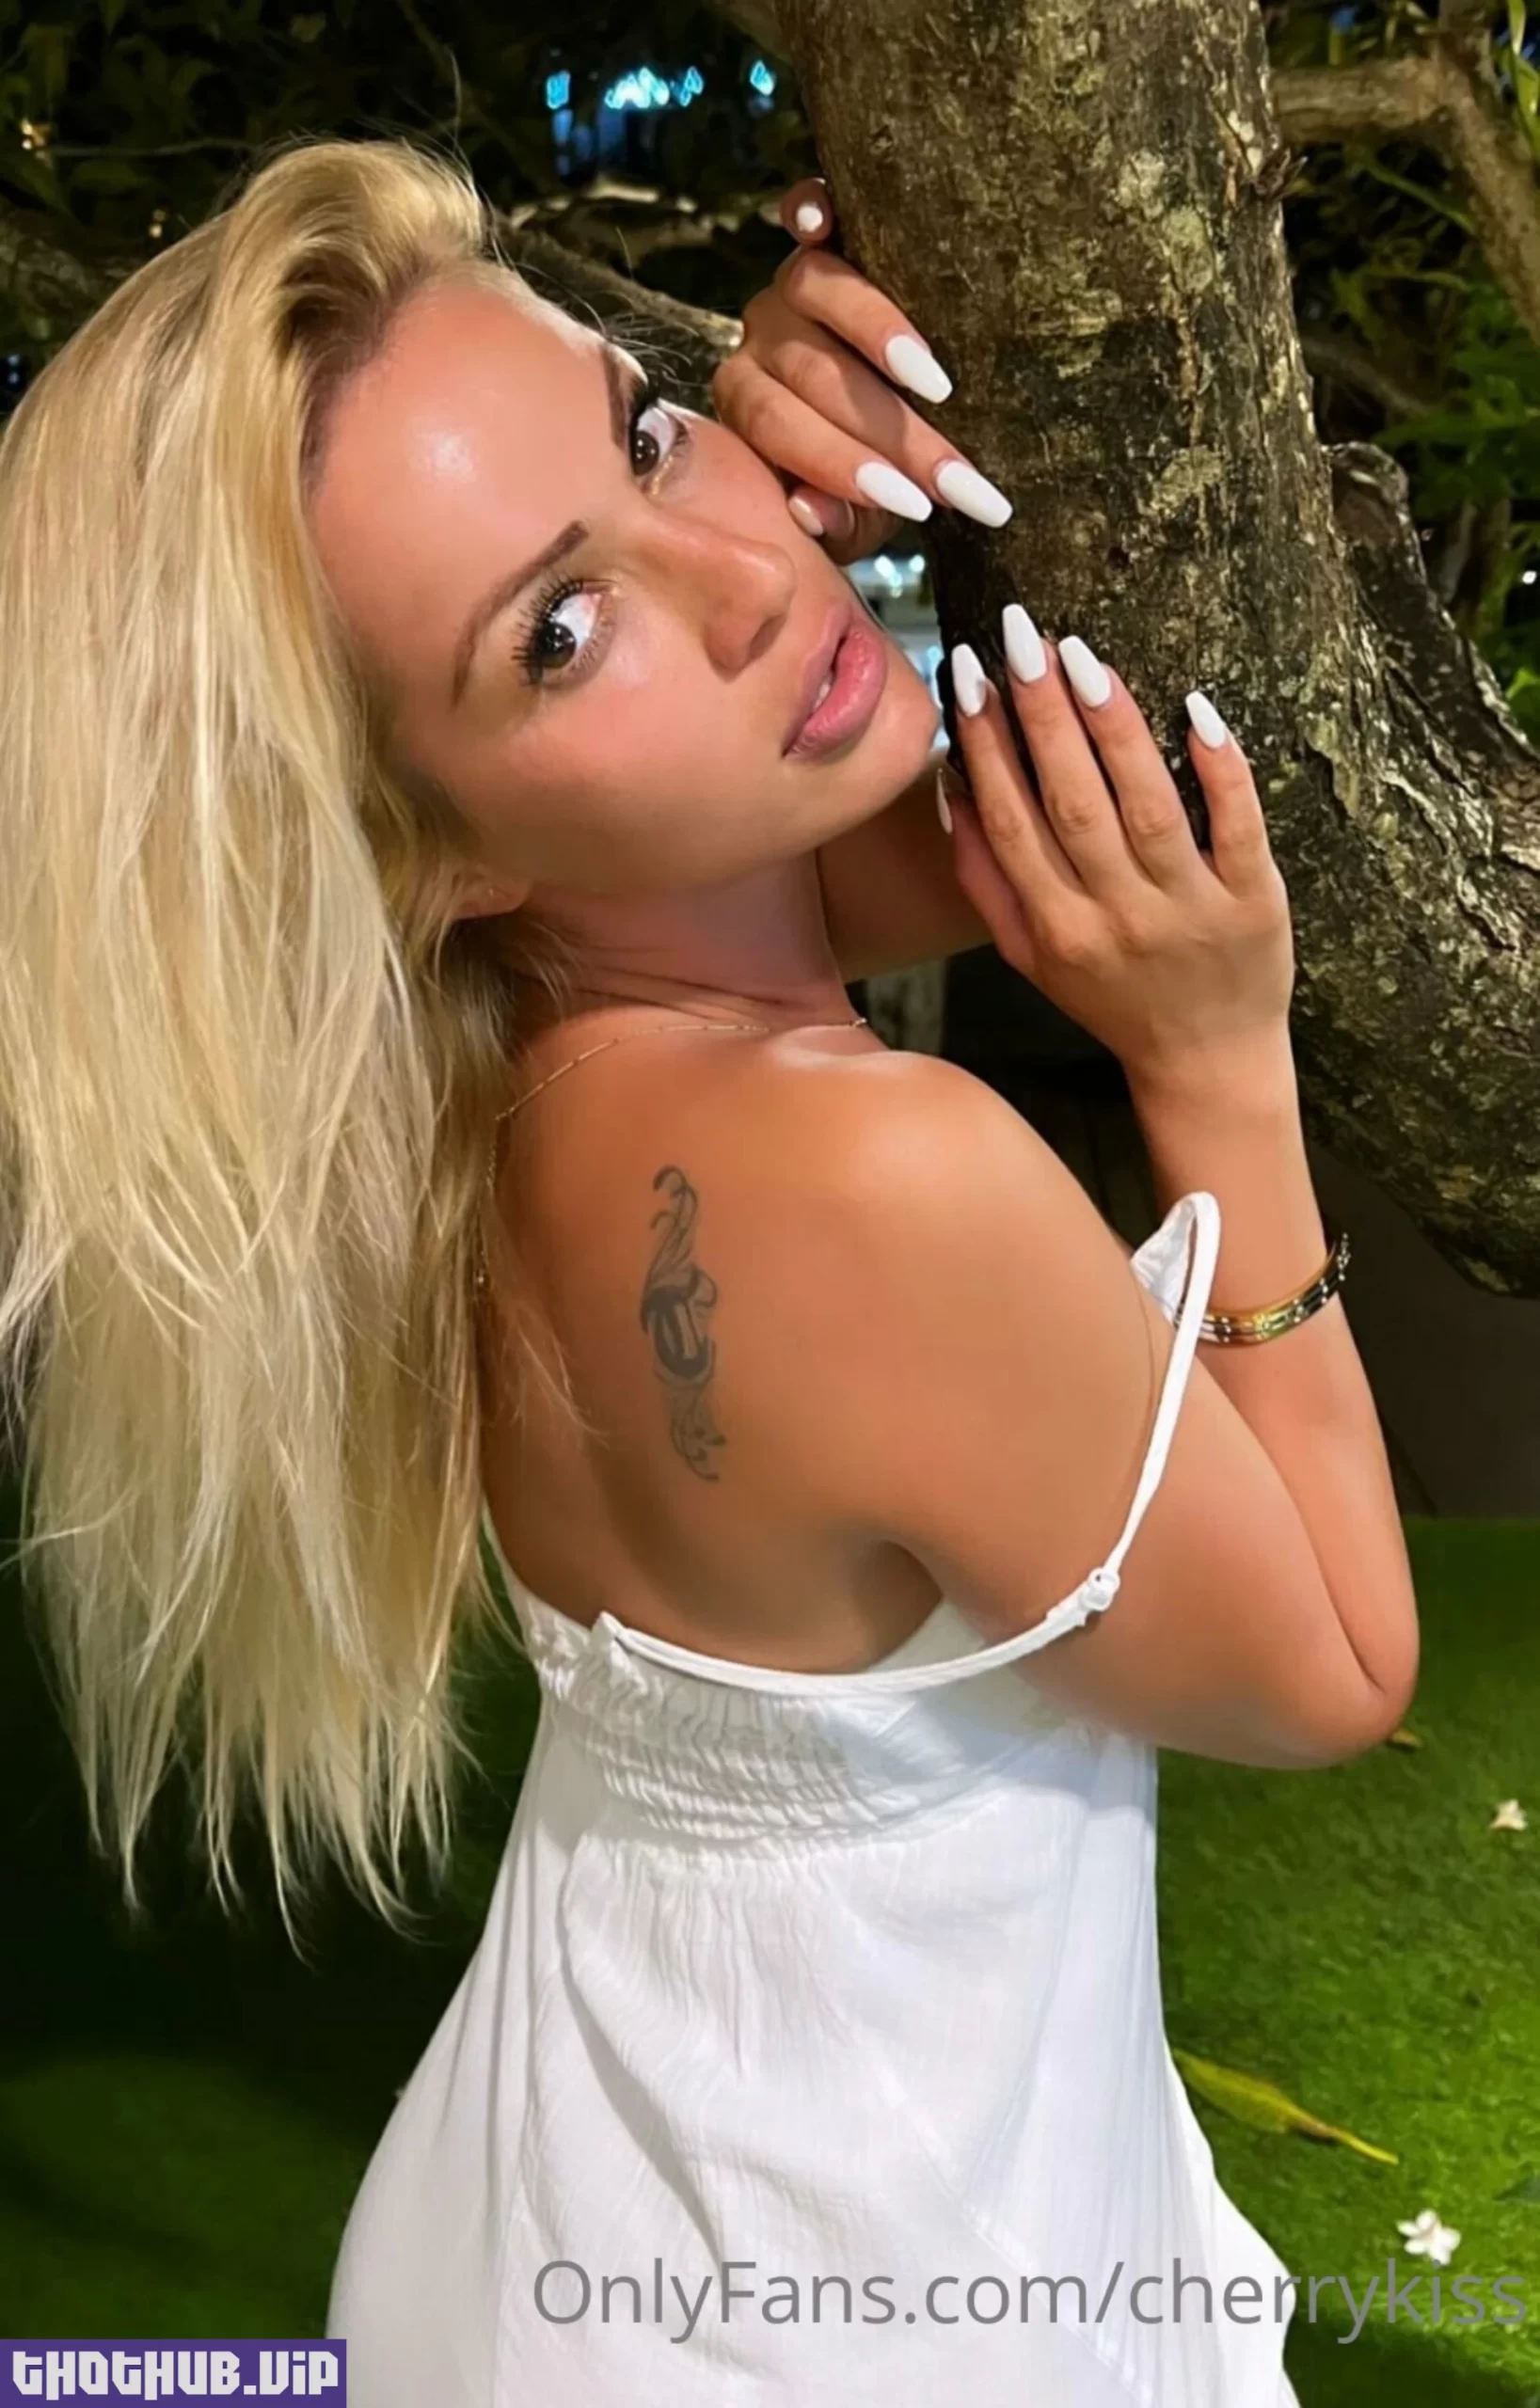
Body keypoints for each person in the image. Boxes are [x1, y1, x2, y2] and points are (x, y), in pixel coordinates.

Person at [0, 133, 1418, 2404]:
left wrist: (812, 472)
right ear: (422, 844)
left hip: (540, 2216)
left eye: (648, 432)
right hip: (873, 2295)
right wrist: (1216, 1069)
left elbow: (931, 841)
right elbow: (1330, 1663)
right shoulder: (876, 1179)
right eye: (555, 633)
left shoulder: (470, 1095)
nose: (745, 582)